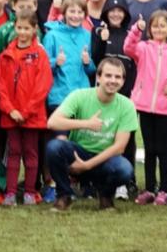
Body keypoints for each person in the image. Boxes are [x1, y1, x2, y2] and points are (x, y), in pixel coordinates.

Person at [45, 57, 139, 211]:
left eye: (117, 77)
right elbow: (53, 122)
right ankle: (64, 195)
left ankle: (106, 197)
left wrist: (86, 166)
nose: (113, 81)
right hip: (78, 154)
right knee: (54, 147)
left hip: (105, 159)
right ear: (98, 77)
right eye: (108, 75)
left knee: (125, 169)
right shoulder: (80, 95)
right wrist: (86, 124)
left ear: (123, 81)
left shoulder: (127, 105)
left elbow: (120, 147)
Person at [125, 8, 167, 205]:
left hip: (165, 109)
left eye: (162, 26)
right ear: (150, 29)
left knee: (163, 150)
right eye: (155, 26)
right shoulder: (143, 48)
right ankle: (149, 188)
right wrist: (136, 30)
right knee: (149, 149)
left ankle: (164, 190)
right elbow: (128, 47)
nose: (158, 29)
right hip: (145, 106)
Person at [0, 18, 52, 205]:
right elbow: (1, 86)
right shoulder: (6, 55)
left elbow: (42, 86)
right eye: (19, 28)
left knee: (31, 153)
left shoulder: (39, 54)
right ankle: (10, 193)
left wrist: (27, 111)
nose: (22, 32)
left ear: (34, 29)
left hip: (32, 116)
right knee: (13, 152)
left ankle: (30, 192)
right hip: (11, 115)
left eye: (26, 28)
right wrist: (10, 109)